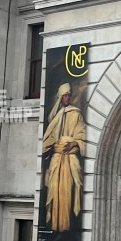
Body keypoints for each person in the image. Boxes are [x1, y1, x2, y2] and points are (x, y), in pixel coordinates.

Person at [41, 82, 86, 233]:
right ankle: (55, 227)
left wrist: (73, 143)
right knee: (54, 191)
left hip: (70, 158)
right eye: (65, 95)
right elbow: (48, 139)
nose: (67, 97)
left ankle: (68, 227)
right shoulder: (54, 116)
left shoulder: (76, 114)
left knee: (71, 190)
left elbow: (82, 135)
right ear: (60, 97)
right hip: (57, 159)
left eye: (68, 95)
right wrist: (53, 146)